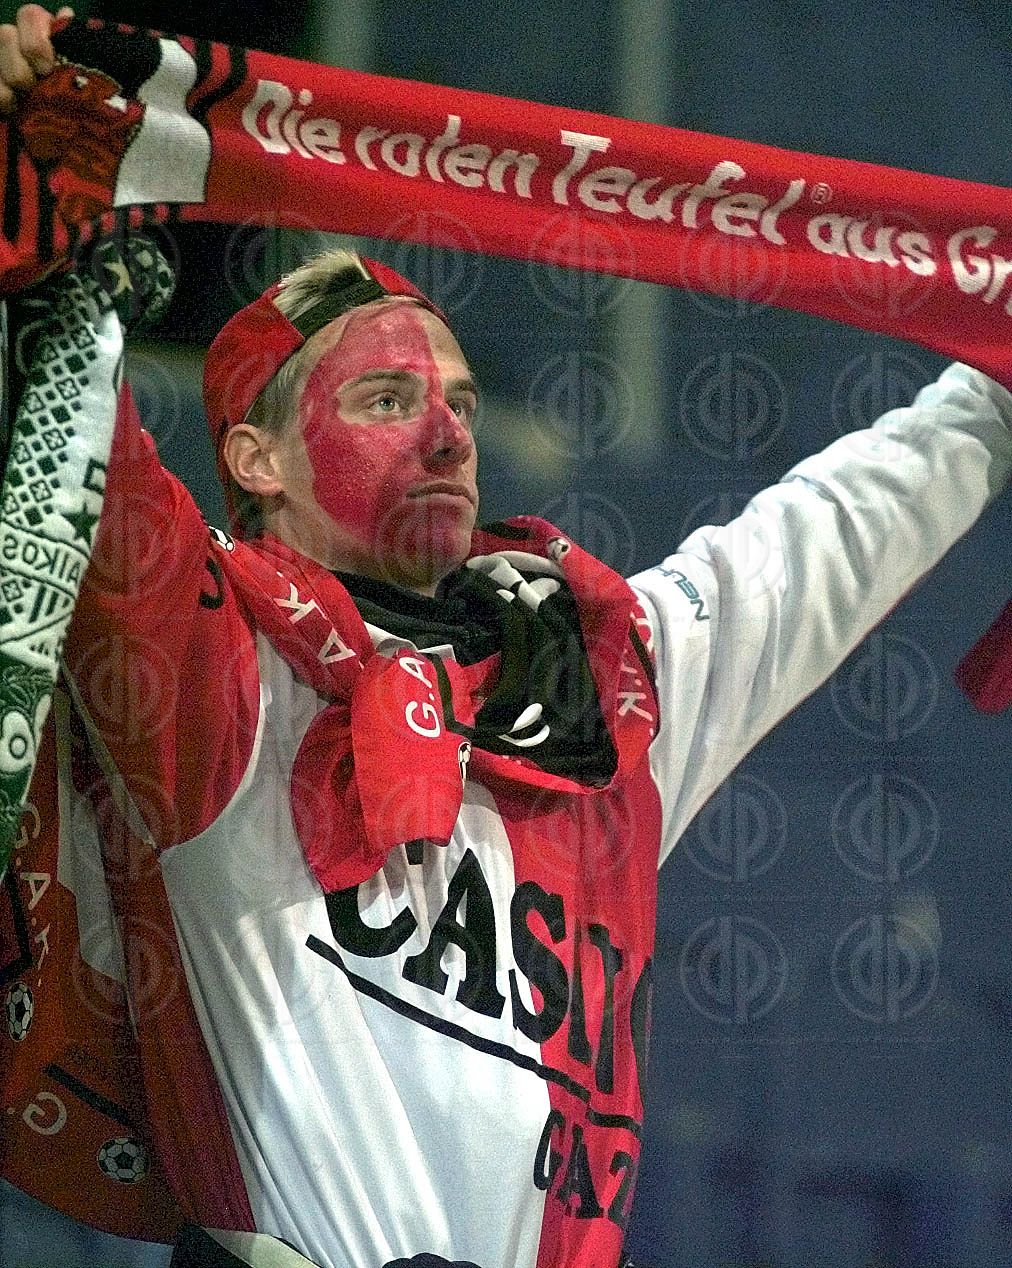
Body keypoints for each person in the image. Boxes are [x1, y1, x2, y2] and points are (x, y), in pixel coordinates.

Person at [2, 7, 1011, 1268]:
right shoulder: (213, 667)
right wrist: (41, 163)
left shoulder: (605, 685)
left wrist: (992, 371)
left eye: (462, 403)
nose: (447, 433)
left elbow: (844, 519)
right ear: (255, 459)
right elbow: (69, 406)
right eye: (387, 398)